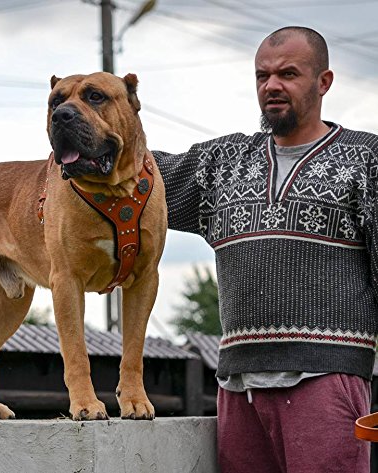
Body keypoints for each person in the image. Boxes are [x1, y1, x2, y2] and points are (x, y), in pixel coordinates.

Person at [153, 26, 378, 473]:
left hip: (327, 379)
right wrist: (84, 124)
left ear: (324, 81)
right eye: (262, 76)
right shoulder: (221, 163)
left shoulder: (366, 158)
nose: (272, 86)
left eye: (288, 73)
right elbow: (138, 180)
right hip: (237, 386)